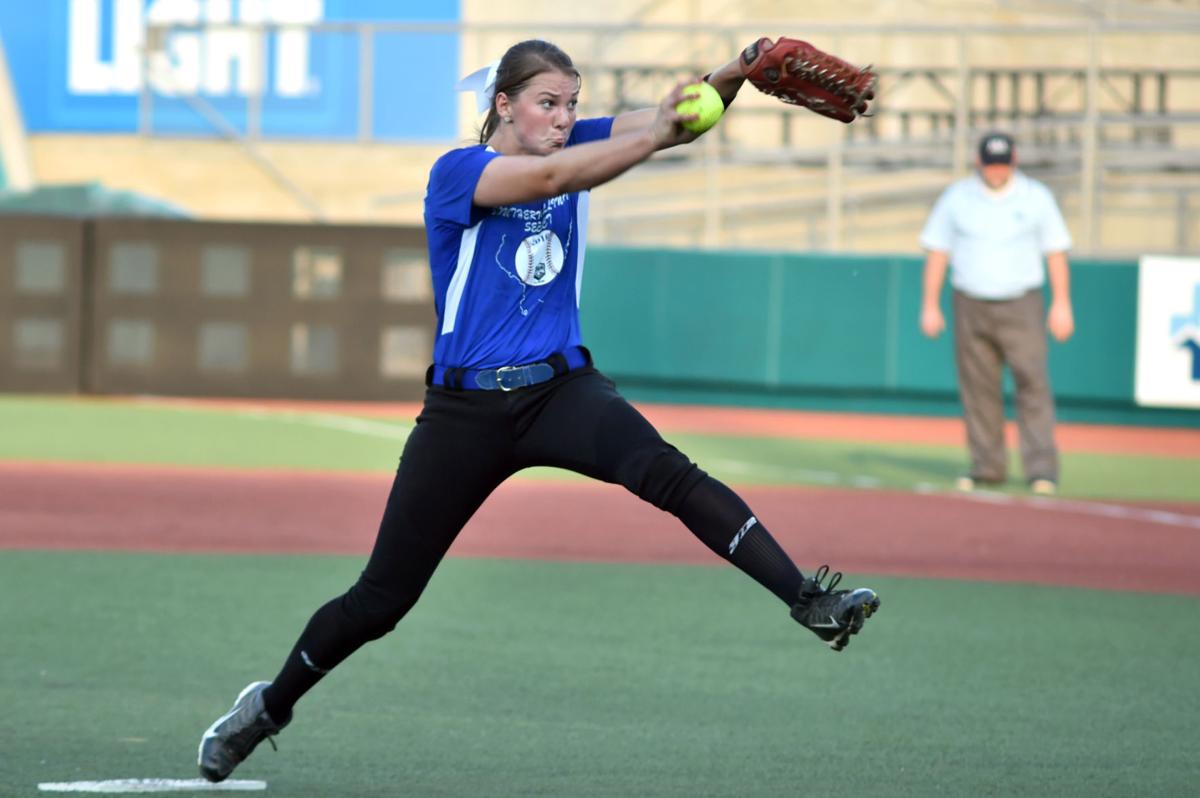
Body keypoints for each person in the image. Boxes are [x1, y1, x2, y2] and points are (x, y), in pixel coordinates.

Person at [197, 39, 881, 783]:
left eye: (572, 105)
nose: (564, 119)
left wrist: (737, 71)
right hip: (465, 410)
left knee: (669, 475)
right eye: (547, 103)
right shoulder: (460, 171)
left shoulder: (576, 141)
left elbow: (670, 119)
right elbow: (557, 174)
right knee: (381, 601)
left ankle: (811, 601)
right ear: (503, 105)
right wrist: (655, 135)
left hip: (561, 390)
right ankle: (270, 706)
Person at [918, 131, 1075, 496]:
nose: (996, 172)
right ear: (980, 162)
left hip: (1021, 302)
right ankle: (987, 465)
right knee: (979, 388)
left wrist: (1062, 303)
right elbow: (938, 251)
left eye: (1003, 164)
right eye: (991, 165)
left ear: (1014, 162)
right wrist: (929, 304)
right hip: (970, 301)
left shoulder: (1036, 198)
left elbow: (1056, 251)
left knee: (1031, 382)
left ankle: (1041, 469)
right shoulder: (958, 197)